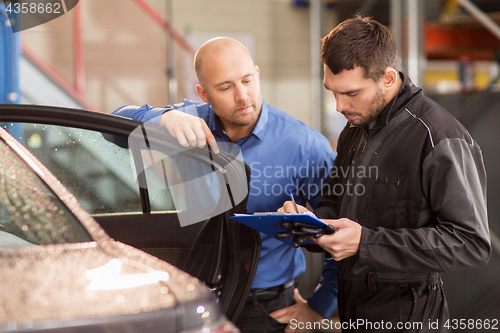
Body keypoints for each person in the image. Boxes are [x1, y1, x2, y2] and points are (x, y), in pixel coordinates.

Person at [113, 37, 338, 333]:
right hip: (193, 296)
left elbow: (341, 229)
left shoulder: (306, 146)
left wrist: (321, 306)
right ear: (203, 93)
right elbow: (113, 127)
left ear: (257, 74)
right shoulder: (185, 125)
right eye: (225, 87)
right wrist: (162, 117)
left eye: (247, 80)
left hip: (267, 307)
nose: (243, 95)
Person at [281, 16, 491, 332]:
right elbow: (333, 206)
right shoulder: (354, 130)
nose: (339, 106)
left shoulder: (438, 136)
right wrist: (311, 224)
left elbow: (470, 243)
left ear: (388, 78)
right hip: (356, 316)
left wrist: (365, 242)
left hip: (413, 321)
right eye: (332, 92)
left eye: (351, 93)